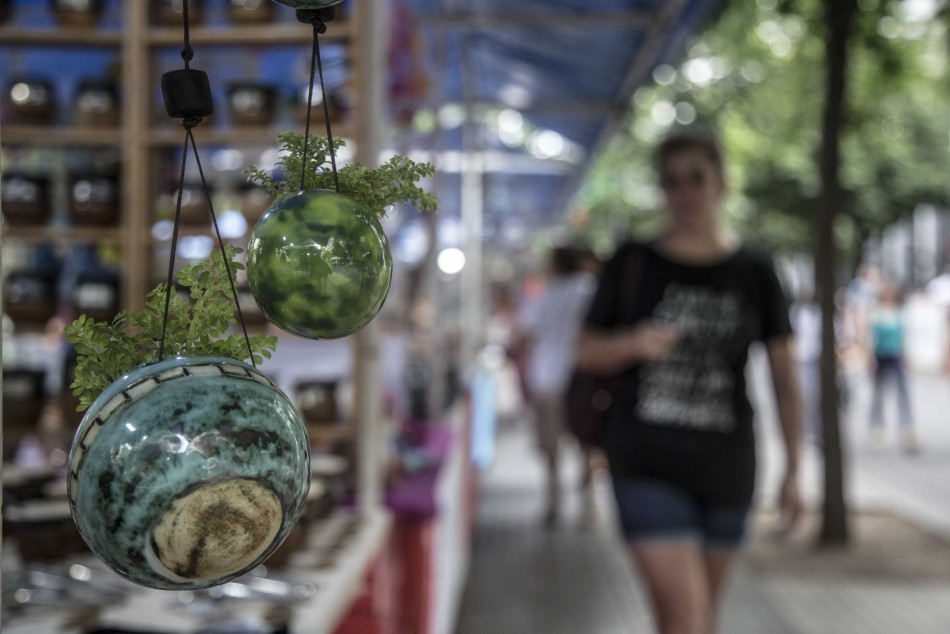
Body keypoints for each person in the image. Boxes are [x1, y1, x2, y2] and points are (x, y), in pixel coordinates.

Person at [575, 129, 802, 634]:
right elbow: (585, 350)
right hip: (644, 462)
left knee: (698, 620)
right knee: (687, 619)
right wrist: (635, 342)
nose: (685, 193)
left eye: (696, 178)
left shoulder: (756, 270)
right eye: (672, 181)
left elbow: (785, 377)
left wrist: (794, 469)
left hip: (728, 469)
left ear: (721, 185)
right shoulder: (634, 261)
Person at [516, 245, 597, 525]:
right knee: (585, 444)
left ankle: (553, 504)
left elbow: (525, 334)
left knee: (551, 448)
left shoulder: (544, 296)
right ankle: (589, 507)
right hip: (581, 377)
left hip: (546, 378)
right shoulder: (590, 291)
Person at [866, 280, 919, 454]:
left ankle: (907, 429)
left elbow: (905, 337)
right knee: (878, 395)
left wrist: (906, 356)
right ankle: (878, 429)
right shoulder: (877, 313)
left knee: (903, 393)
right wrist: (870, 357)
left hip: (895, 356)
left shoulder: (899, 313)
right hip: (881, 356)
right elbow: (870, 337)